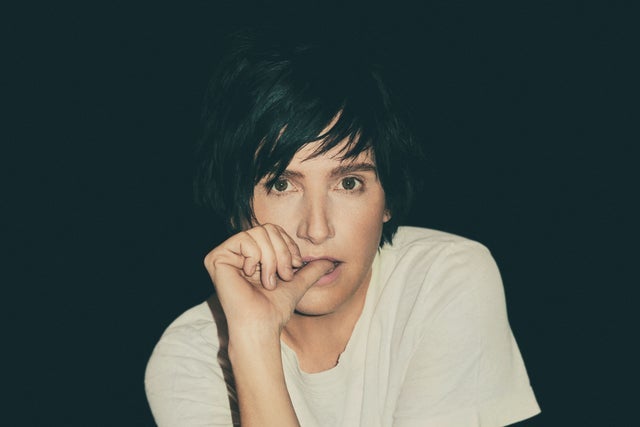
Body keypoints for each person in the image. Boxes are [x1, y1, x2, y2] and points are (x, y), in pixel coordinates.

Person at [145, 26, 540, 426]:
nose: (317, 230)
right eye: (281, 184)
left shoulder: (441, 278)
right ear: (235, 207)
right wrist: (252, 338)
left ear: (387, 200)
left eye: (349, 183)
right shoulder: (191, 356)